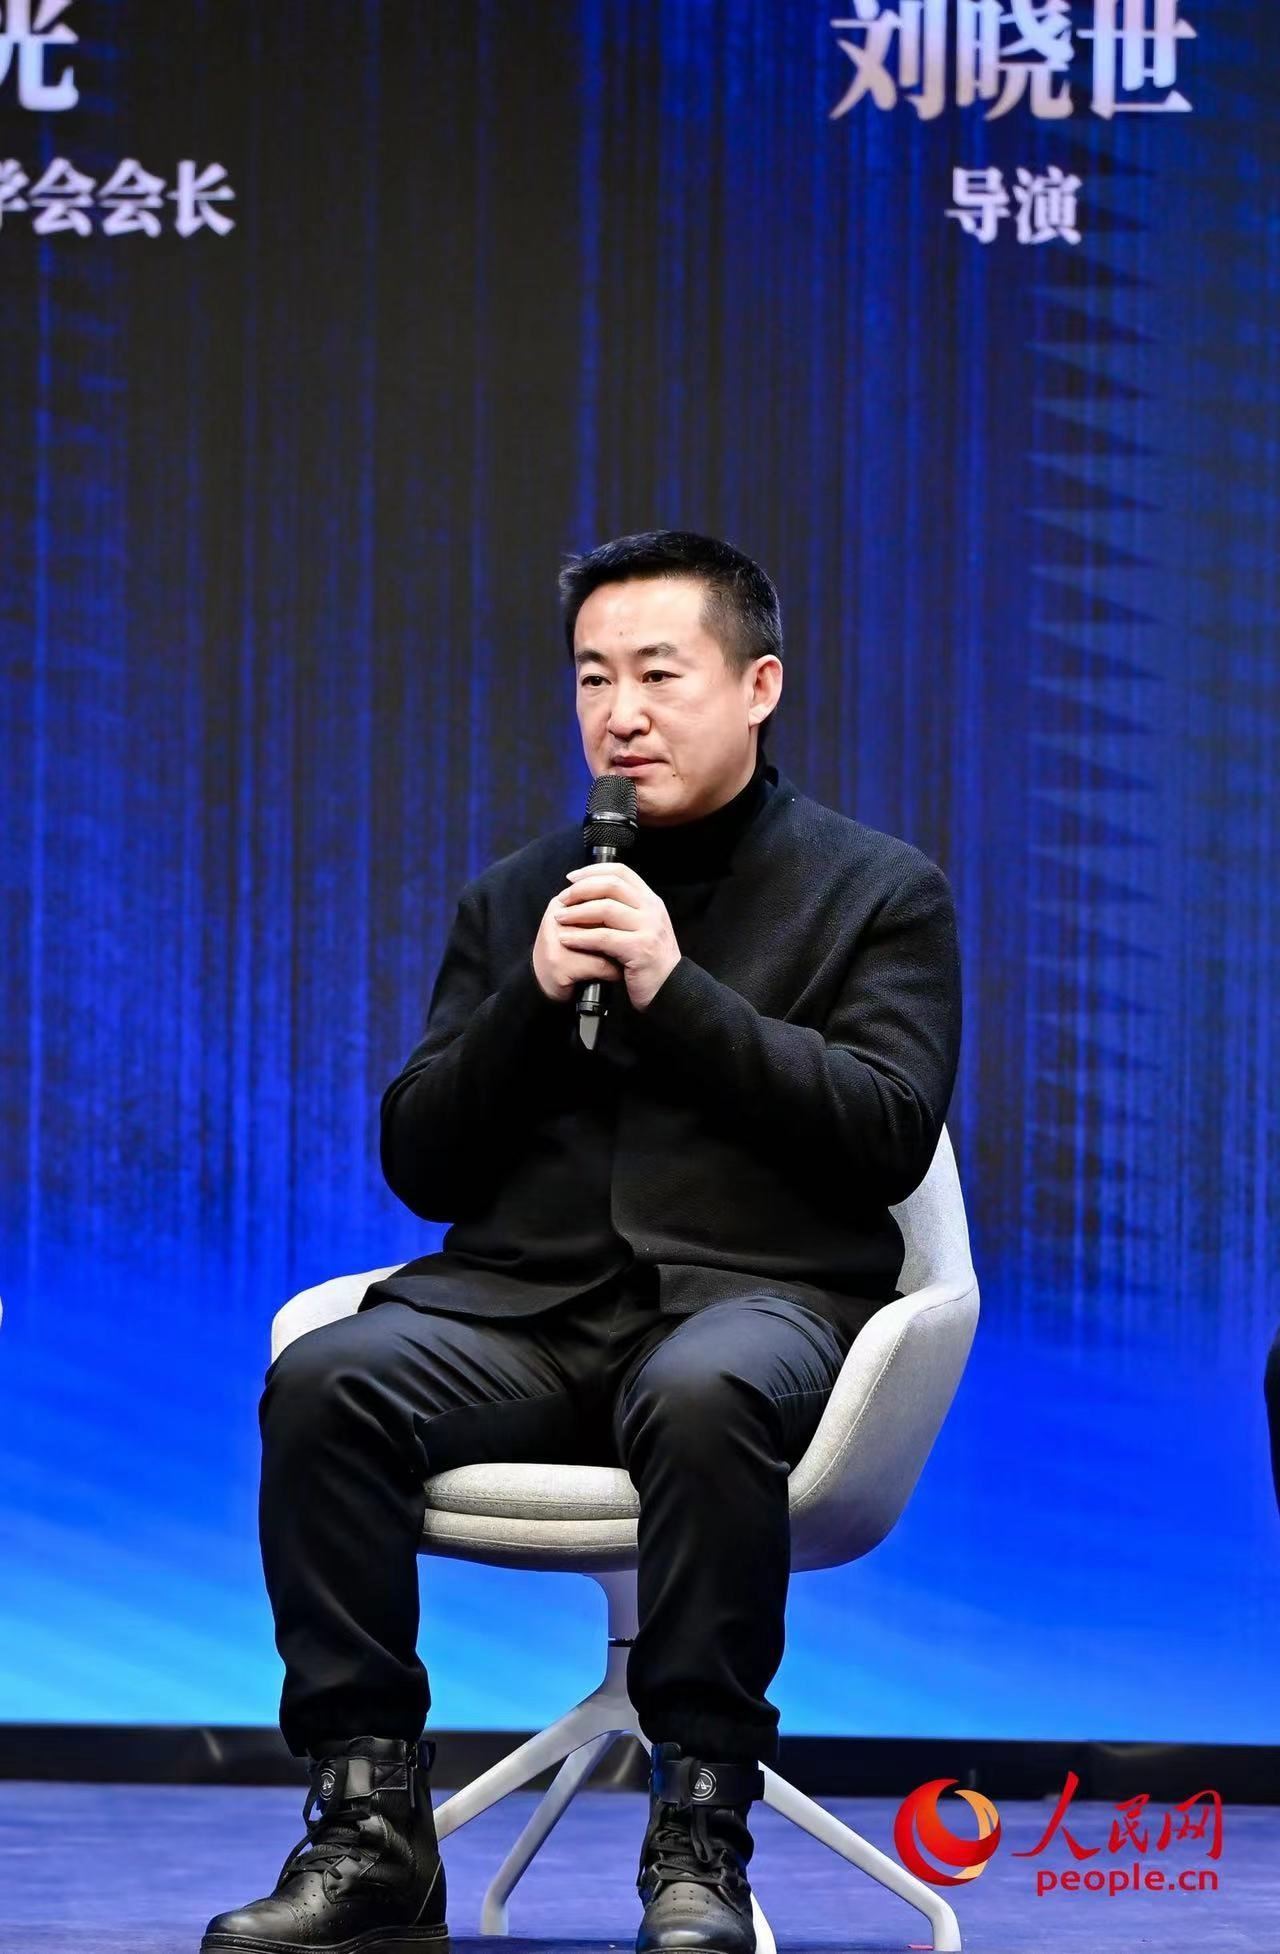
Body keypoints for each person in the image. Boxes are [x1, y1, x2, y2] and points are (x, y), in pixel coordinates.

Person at [202, 530, 963, 1954]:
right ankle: (371, 1828)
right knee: (326, 1381)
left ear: (758, 686)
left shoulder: (877, 892)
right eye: (593, 677)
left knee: (703, 1388)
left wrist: (676, 989)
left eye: (659, 674)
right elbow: (422, 1158)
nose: (621, 712)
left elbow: (886, 1133)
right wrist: (531, 1002)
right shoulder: (522, 897)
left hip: (756, 1304)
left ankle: (700, 1834)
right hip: (527, 1313)